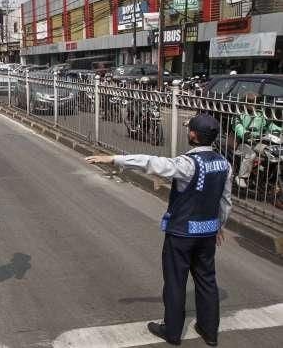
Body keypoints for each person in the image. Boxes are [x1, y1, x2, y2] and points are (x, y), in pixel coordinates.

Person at [86, 113, 232, 346]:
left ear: (193, 135)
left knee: (175, 282)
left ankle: (172, 332)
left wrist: (114, 159)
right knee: (207, 280)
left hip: (182, 233)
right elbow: (225, 201)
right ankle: (209, 331)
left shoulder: (187, 164)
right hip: (207, 233)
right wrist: (219, 225)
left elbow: (151, 162)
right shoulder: (224, 164)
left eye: (189, 129)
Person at [231, 108, 282, 188]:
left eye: (256, 100)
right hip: (243, 142)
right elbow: (237, 126)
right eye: (250, 101)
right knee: (251, 154)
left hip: (257, 142)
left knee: (271, 152)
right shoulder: (239, 112)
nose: (253, 103)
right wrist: (244, 133)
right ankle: (241, 177)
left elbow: (270, 125)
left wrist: (279, 130)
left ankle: (263, 178)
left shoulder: (261, 114)